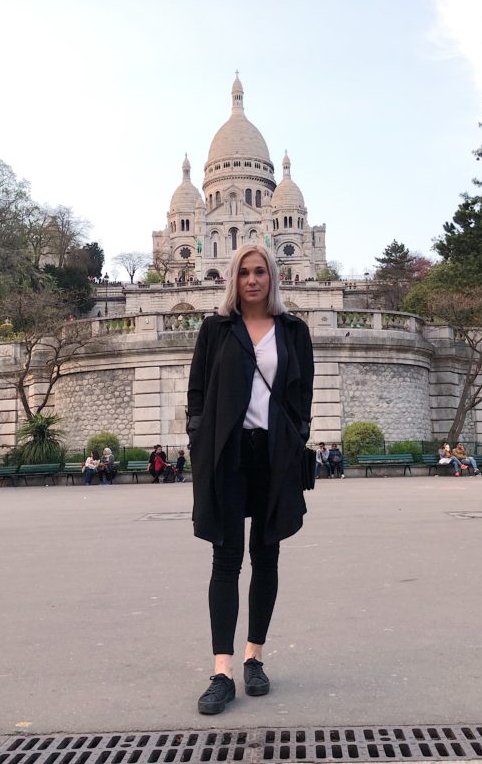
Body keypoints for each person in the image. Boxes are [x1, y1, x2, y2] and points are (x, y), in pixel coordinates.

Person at [186, 243, 314, 715]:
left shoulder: (293, 331)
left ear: (273, 278)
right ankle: (222, 671)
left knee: (267, 555)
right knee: (226, 558)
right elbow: (196, 393)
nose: (253, 280)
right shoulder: (215, 330)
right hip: (227, 452)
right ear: (233, 280)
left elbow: (303, 391)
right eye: (245, 273)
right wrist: (199, 440)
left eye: (261, 272)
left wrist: (298, 433)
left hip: (274, 453)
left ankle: (254, 658)